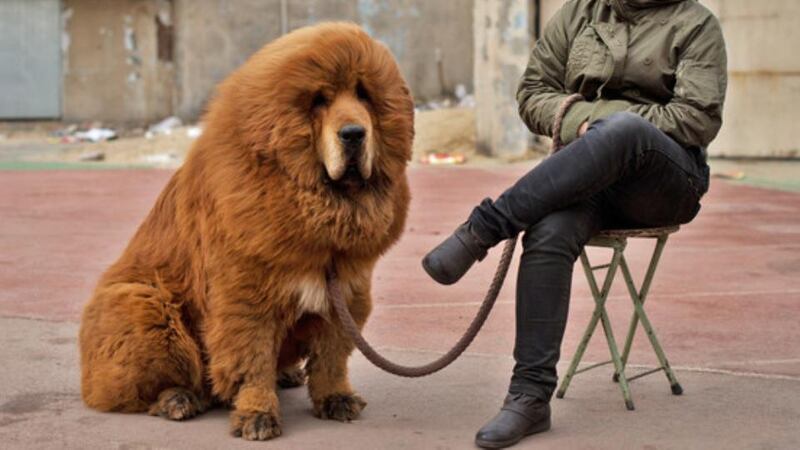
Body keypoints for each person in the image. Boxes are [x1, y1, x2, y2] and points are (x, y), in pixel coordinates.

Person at [422, 0, 727, 448]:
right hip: (587, 177)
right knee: (547, 232)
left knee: (624, 131)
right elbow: (532, 92)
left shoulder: (696, 24)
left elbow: (696, 118)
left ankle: (484, 228)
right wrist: (589, 127)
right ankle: (529, 397)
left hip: (664, 182)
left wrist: (603, 125)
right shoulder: (579, 13)